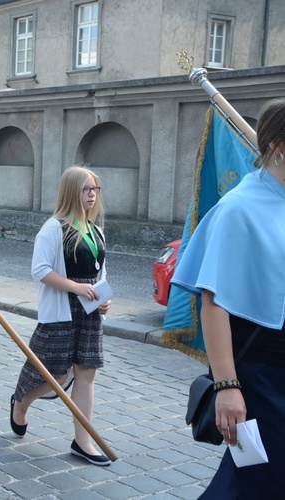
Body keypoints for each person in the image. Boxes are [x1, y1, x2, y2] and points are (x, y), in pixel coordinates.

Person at [171, 99, 285, 497]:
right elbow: (213, 302)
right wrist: (227, 386)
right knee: (258, 483)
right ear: (280, 147)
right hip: (262, 375)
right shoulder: (239, 208)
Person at [10, 165, 112, 467]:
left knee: (86, 373)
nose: (92, 194)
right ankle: (21, 402)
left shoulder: (97, 231)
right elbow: (39, 270)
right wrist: (77, 288)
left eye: (95, 188)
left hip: (90, 312)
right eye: (86, 189)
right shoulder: (54, 228)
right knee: (55, 373)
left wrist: (103, 301)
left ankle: (83, 441)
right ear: (72, 192)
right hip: (62, 312)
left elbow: (100, 273)